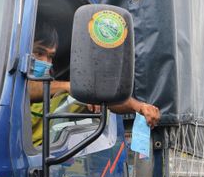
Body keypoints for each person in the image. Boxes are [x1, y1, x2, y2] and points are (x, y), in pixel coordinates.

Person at [29, 22, 160, 146]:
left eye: (50, 56)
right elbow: (27, 89)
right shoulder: (11, 86)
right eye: (39, 53)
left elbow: (109, 99)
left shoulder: (60, 97)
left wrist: (138, 106)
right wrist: (70, 87)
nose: (46, 62)